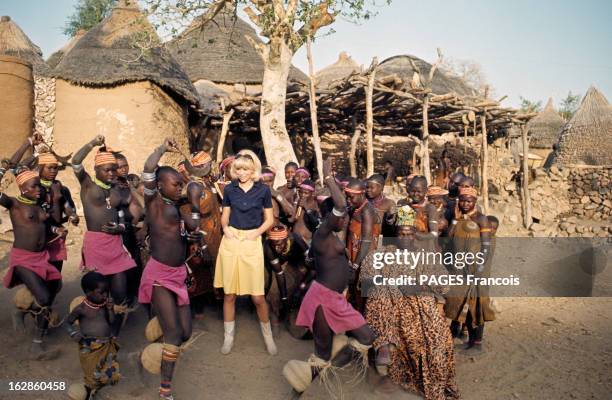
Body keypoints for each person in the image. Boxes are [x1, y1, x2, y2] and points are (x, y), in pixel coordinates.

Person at [283, 158, 374, 395]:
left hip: (333, 298)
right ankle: (298, 389)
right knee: (323, 353)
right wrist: (328, 178)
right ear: (330, 218)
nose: (345, 220)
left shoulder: (330, 236)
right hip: (323, 301)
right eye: (341, 218)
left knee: (364, 338)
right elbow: (342, 205)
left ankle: (328, 364)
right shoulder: (323, 233)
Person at [361, 223, 460, 399]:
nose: (405, 238)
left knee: (435, 340)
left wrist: (418, 286)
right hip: (391, 303)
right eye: (401, 234)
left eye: (409, 234)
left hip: (421, 304)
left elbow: (444, 284)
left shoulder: (426, 257)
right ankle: (385, 346)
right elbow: (366, 276)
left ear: (415, 235)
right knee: (379, 294)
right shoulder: (383, 253)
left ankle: (424, 380)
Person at [138, 138, 201, 399]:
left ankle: (157, 338)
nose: (180, 189)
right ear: (160, 185)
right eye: (176, 185)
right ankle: (165, 391)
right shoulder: (153, 203)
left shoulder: (176, 207)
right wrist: (162, 148)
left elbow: (188, 231)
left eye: (181, 185)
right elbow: (148, 168)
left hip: (179, 274)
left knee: (185, 332)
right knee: (174, 333)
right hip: (160, 275)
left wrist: (190, 237)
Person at [72, 135, 137, 336]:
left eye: (113, 169)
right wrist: (92, 143)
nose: (111, 173)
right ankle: (95, 330)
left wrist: (120, 228)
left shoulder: (116, 190)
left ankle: (113, 336)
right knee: (98, 293)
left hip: (115, 244)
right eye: (106, 170)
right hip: (96, 245)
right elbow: (75, 162)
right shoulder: (88, 186)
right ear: (96, 171)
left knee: (119, 294)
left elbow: (120, 217)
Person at [213, 150, 277, 355]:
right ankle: (228, 338)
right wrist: (225, 229)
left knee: (257, 296)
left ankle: (269, 338)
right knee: (229, 294)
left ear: (253, 170)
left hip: (252, 240)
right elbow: (225, 216)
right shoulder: (230, 189)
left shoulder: (263, 191)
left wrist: (256, 233)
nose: (242, 173)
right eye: (238, 169)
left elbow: (269, 220)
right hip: (231, 240)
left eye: (246, 169)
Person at [1, 164, 62, 359]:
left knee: (51, 294)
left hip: (42, 257)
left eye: (39, 187)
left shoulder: (39, 205)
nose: (39, 190)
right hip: (23, 259)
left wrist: (56, 231)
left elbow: (43, 226)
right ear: (22, 189)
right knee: (43, 298)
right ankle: (20, 310)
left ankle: (37, 341)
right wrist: (4, 169)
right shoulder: (14, 204)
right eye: (34, 186)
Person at [445, 187, 494, 355]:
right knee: (460, 302)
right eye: (462, 200)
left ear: (475, 201)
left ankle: (477, 343)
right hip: (458, 269)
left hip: (474, 269)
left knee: (476, 305)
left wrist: (479, 270)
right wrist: (454, 220)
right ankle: (470, 341)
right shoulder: (457, 217)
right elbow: (448, 240)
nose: (465, 204)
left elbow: (486, 247)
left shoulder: (481, 219)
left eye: (469, 201)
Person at [178, 151, 223, 319]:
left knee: (213, 269)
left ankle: (213, 304)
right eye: (208, 164)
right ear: (203, 166)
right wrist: (202, 244)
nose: (210, 166)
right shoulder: (194, 187)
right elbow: (194, 219)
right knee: (201, 269)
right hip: (203, 234)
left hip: (213, 232)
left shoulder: (204, 183)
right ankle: (198, 310)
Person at [64, 272, 120, 399]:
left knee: (106, 370)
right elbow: (67, 322)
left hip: (106, 344)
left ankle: (96, 389)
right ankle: (90, 392)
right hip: (89, 347)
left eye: (107, 292)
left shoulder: (105, 306)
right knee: (92, 372)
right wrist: (72, 333)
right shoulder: (81, 309)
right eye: (101, 292)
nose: (105, 295)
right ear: (89, 292)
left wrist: (111, 309)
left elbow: (111, 322)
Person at [263, 225, 312, 335]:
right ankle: (275, 322)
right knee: (273, 293)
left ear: (286, 239)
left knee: (300, 290)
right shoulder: (268, 247)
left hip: (298, 264)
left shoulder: (296, 240)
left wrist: (303, 283)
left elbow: (312, 264)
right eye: (274, 245)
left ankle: (295, 318)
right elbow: (279, 274)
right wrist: (284, 298)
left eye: (279, 244)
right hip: (279, 266)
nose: (276, 248)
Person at [37, 151, 79, 272]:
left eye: (55, 168)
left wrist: (73, 215)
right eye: (49, 168)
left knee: (55, 273)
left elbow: (67, 206)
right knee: (40, 273)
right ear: (40, 168)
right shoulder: (35, 188)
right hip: (41, 235)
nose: (53, 171)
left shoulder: (60, 187)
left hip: (58, 235)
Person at [345, 178, 381, 311]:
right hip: (355, 254)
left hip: (364, 257)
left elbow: (366, 240)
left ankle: (361, 324)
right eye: (347, 197)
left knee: (363, 291)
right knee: (355, 291)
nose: (348, 200)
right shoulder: (356, 208)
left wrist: (355, 265)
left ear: (361, 194)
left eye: (351, 197)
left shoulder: (367, 211)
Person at [113, 152, 144, 305]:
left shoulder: (126, 184)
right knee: (123, 269)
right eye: (119, 167)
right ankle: (122, 302)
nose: (124, 169)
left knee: (135, 267)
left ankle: (131, 299)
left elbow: (138, 205)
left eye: (125, 165)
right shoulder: (112, 187)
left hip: (130, 230)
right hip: (119, 233)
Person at [366, 174, 396, 239]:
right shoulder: (364, 201)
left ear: (381, 188)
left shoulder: (389, 203)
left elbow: (392, 226)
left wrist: (389, 219)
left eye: (371, 187)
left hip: (381, 238)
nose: (368, 190)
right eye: (367, 187)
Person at [289, 179, 319, 244]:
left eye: (306, 193)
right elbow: (291, 220)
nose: (302, 195)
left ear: (312, 193)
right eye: (301, 192)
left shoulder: (315, 205)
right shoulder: (297, 202)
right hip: (294, 240)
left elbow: (316, 224)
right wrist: (296, 203)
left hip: (306, 241)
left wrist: (306, 207)